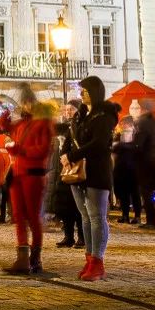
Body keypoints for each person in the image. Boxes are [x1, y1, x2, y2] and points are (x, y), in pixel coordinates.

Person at [61, 76, 120, 282]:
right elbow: (71, 137)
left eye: (84, 90)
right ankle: (89, 257)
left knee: (96, 217)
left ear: (93, 91)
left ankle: (98, 261)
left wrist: (71, 156)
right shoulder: (81, 115)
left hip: (96, 171)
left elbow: (98, 144)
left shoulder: (104, 116)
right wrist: (65, 153)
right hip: (78, 173)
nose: (81, 94)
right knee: (85, 217)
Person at [0, 84, 56, 275]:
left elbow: (43, 149)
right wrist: (5, 116)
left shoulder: (43, 123)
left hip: (33, 173)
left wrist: (20, 150)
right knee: (19, 217)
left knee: (32, 217)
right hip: (18, 174)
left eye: (27, 102)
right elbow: (4, 127)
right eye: (23, 103)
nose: (25, 106)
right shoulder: (22, 124)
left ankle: (35, 258)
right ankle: (22, 256)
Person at [47, 99, 85, 247]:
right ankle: (68, 236)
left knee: (77, 207)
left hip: (74, 167)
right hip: (62, 169)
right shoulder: (64, 127)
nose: (68, 112)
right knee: (63, 206)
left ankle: (82, 237)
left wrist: (68, 156)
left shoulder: (79, 125)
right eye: (66, 109)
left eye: (71, 109)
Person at [133, 98, 155, 228]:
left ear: (143, 109)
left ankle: (151, 220)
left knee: (147, 190)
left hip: (146, 161)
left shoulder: (143, 123)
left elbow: (139, 144)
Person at [112, 115, 141, 224]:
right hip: (121, 166)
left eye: (123, 123)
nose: (122, 125)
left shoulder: (136, 134)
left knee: (135, 192)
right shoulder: (119, 134)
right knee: (123, 192)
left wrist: (121, 146)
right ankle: (125, 215)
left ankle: (137, 216)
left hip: (133, 167)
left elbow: (137, 148)